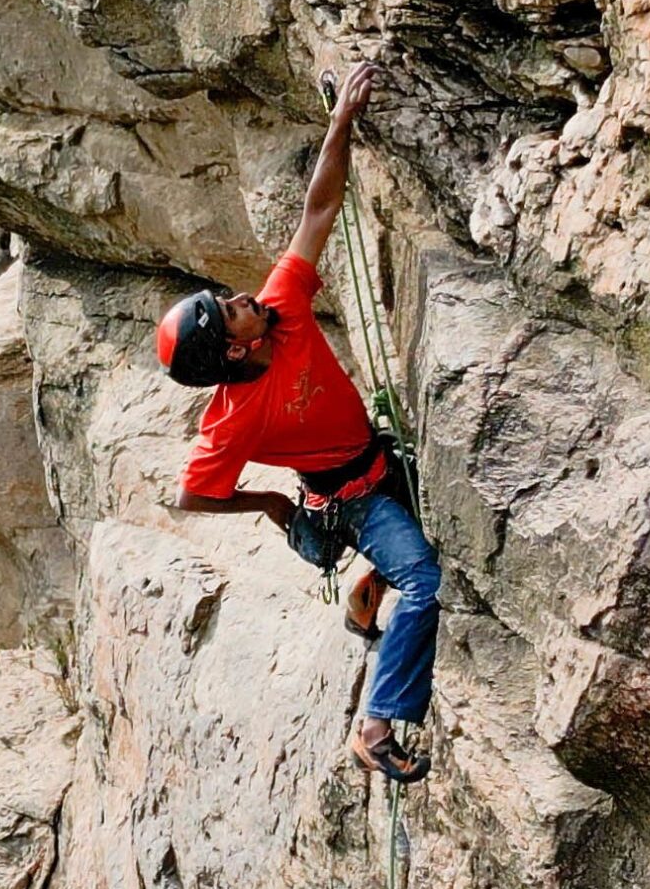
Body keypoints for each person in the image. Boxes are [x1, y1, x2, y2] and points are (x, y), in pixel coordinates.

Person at [153, 62, 440, 782]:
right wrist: (274, 502)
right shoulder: (233, 419)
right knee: (427, 579)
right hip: (357, 498)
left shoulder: (281, 310)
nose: (243, 295)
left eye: (228, 297)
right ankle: (374, 727)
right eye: (229, 309)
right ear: (233, 348)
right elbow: (193, 494)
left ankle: (369, 591)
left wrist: (339, 123)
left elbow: (318, 211)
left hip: (380, 460)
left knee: (422, 549)